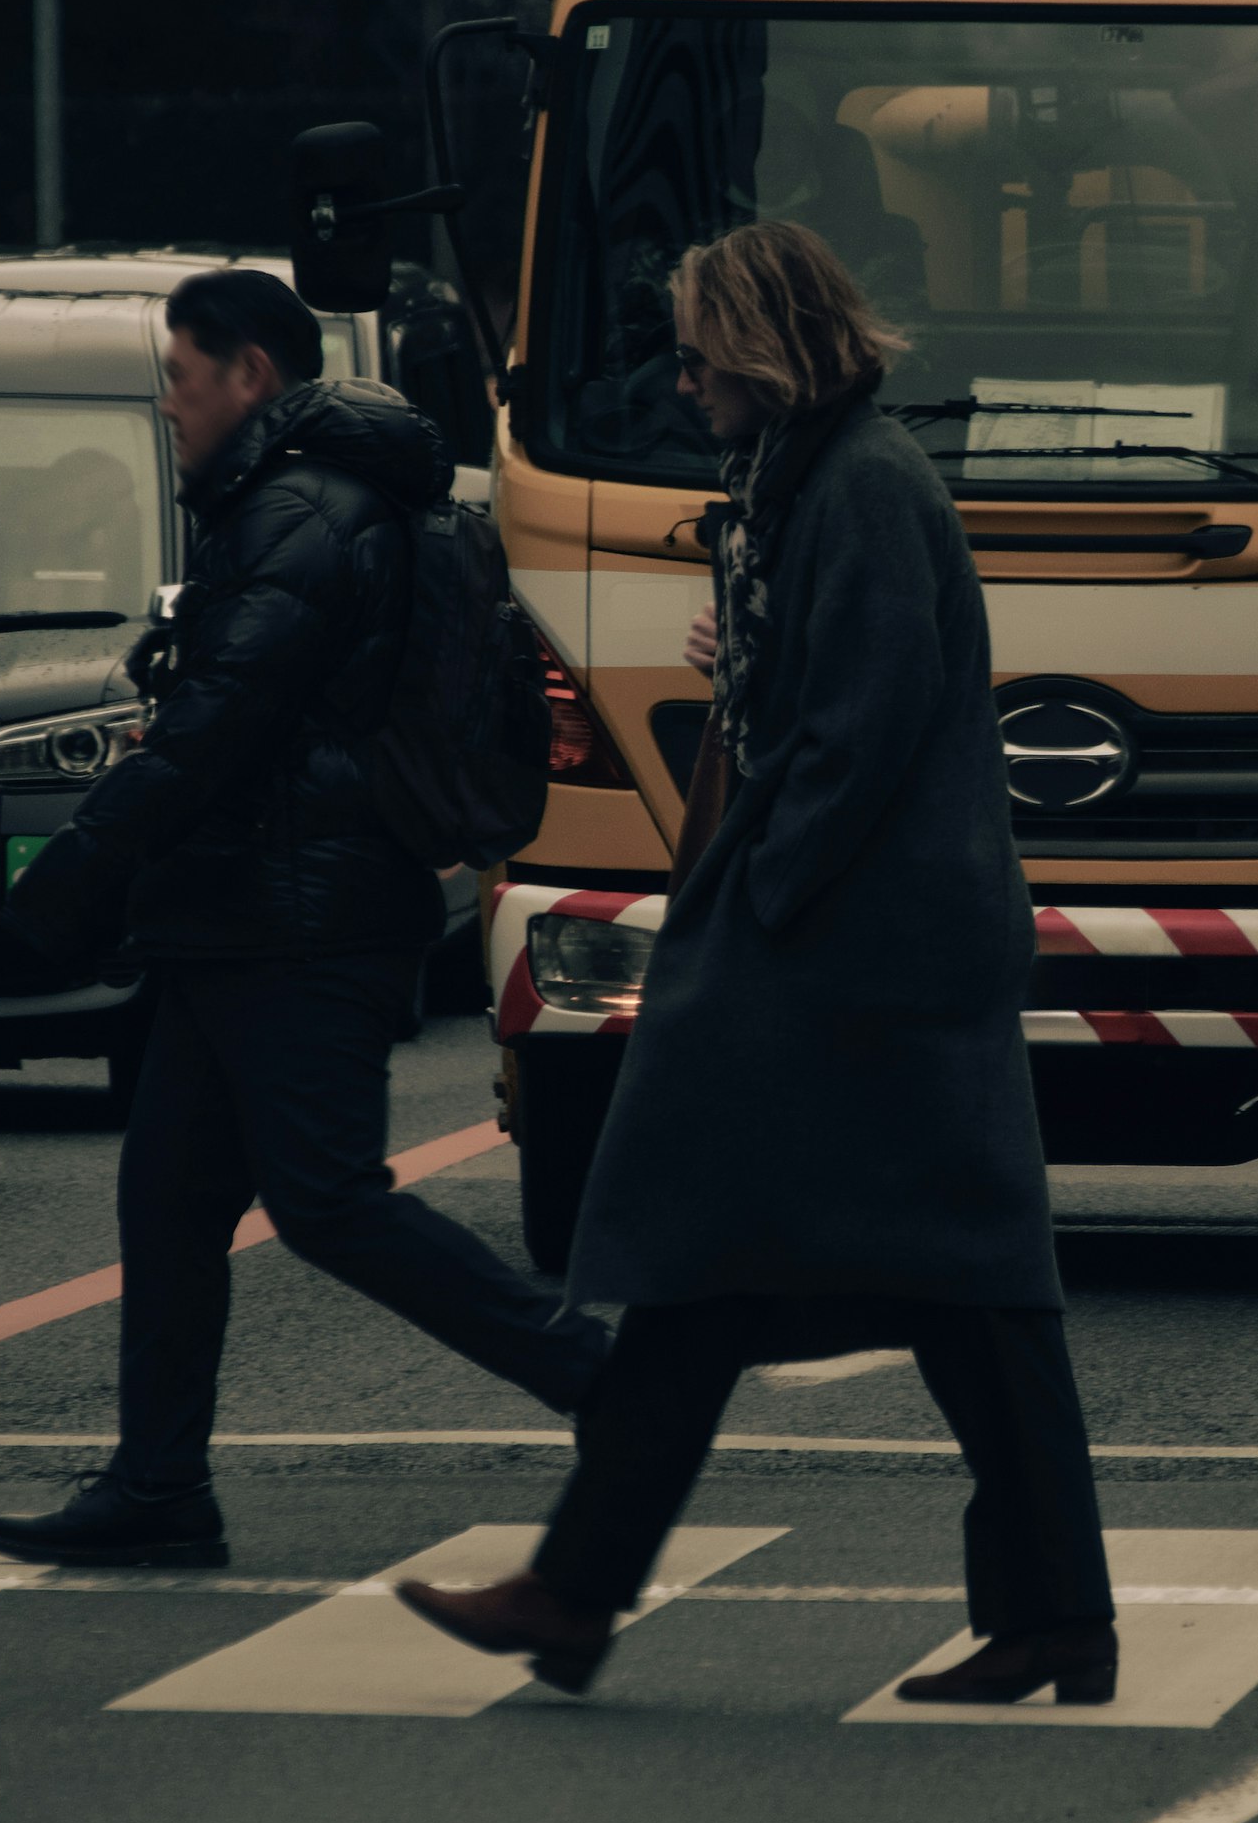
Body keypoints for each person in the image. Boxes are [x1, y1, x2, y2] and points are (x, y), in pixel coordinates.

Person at [393, 222, 1117, 1702]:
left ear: (764, 346)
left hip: (859, 958)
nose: (683, 379)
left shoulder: (855, 487)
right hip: (870, 949)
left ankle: (585, 1592)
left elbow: (858, 733)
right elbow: (840, 697)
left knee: (822, 1271)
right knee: (821, 1277)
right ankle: (1039, 1616)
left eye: (699, 350)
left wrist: (760, 902)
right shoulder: (821, 478)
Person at [0, 267, 604, 1569]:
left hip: (303, 920)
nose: (167, 406)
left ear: (250, 375)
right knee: (168, 1198)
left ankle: (601, 1378)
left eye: (180, 376)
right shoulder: (294, 504)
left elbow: (215, 733)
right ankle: (159, 1489)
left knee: (327, 1200)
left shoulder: (303, 515)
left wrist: (67, 882)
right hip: (246, 916)